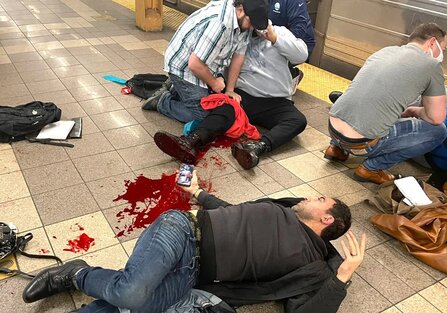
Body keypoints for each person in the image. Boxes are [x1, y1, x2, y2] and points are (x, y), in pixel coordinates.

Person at [23, 170, 366, 313]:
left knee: (136, 305)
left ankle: (89, 282)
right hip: (184, 230)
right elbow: (234, 212)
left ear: (327, 219)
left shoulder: (313, 266)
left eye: (321, 199)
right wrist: (199, 193)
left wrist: (342, 277)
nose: (311, 197)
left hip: (194, 275)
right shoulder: (285, 210)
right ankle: (75, 274)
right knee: (131, 292)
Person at [154, 22, 309, 169]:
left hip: (277, 101)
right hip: (244, 96)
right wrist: (225, 84)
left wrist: (274, 38)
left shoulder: (279, 32)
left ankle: (256, 147)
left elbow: (301, 55)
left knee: (298, 120)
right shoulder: (237, 37)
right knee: (224, 110)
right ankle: (190, 141)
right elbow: (220, 63)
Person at [323, 23, 447, 184]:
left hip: (332, 128)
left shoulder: (386, 51)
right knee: (439, 132)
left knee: (374, 105)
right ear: (432, 43)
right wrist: (413, 111)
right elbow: (436, 118)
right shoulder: (432, 65)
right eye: (443, 49)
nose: (442, 55)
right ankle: (372, 168)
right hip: (361, 144)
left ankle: (336, 150)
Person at [141, 0, 269, 123]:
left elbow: (238, 56)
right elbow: (195, 64)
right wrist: (214, 83)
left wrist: (230, 90)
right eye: (251, 22)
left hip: (206, 65)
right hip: (184, 67)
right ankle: (163, 102)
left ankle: (175, 89)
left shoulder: (244, 19)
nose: (252, 27)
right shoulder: (220, 23)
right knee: (203, 116)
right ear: (240, 11)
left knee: (211, 103)